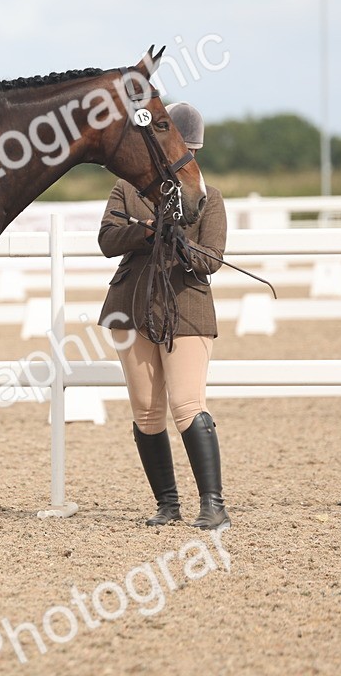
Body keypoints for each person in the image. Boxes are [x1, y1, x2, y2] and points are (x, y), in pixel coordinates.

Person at [98, 102, 230, 530]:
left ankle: (213, 504)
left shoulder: (209, 198)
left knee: (187, 404)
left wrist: (180, 245)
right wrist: (147, 231)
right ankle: (167, 504)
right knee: (146, 411)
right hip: (131, 304)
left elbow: (212, 259)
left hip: (186, 305)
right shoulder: (126, 189)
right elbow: (107, 239)